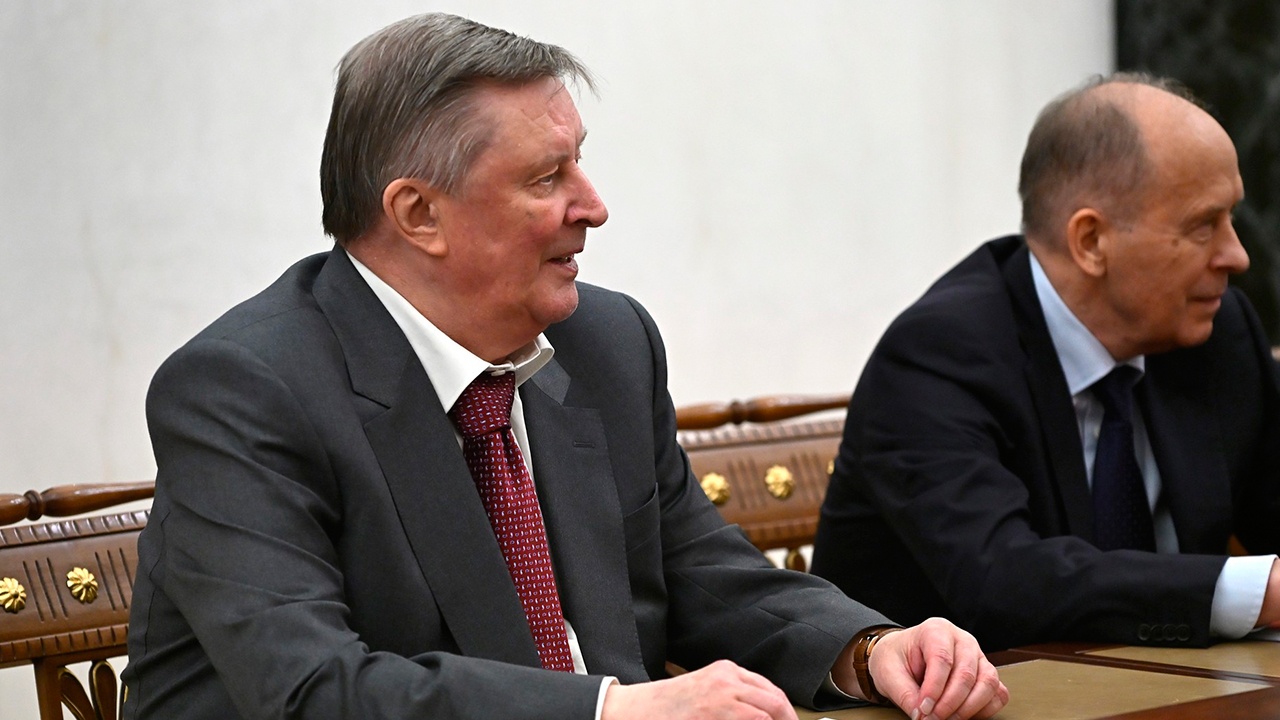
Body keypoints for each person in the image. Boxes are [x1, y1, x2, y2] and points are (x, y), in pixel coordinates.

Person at [122, 13, 1006, 720]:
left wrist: (869, 650)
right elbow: (315, 691)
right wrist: (612, 710)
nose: (595, 206)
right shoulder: (243, 390)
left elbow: (699, 573)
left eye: (580, 161)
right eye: (548, 178)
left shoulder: (606, 342)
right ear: (418, 214)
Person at [811, 72, 1280, 652]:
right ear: (1091, 242)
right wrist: (1259, 591)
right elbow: (1005, 582)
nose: (1237, 255)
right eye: (1203, 225)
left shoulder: (1215, 332)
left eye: (1232, 218)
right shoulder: (937, 355)